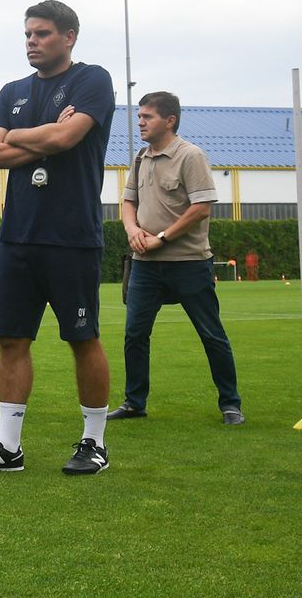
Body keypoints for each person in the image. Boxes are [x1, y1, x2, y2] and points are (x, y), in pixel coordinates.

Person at [0, 0, 115, 476]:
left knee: (82, 338)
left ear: (68, 37)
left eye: (42, 33)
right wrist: (45, 133)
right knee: (12, 339)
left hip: (72, 236)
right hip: (19, 239)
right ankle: (8, 446)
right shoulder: (12, 91)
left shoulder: (93, 80)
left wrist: (22, 138)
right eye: (27, 34)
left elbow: (66, 142)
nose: (31, 41)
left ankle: (94, 442)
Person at [109, 91, 243, 425]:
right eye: (139, 116)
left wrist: (162, 238)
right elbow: (128, 202)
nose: (140, 121)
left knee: (211, 334)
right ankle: (134, 402)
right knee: (134, 335)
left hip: (189, 263)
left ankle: (230, 404)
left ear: (169, 120)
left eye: (147, 116)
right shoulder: (140, 158)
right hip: (144, 266)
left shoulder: (191, 156)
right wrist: (131, 230)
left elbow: (201, 208)